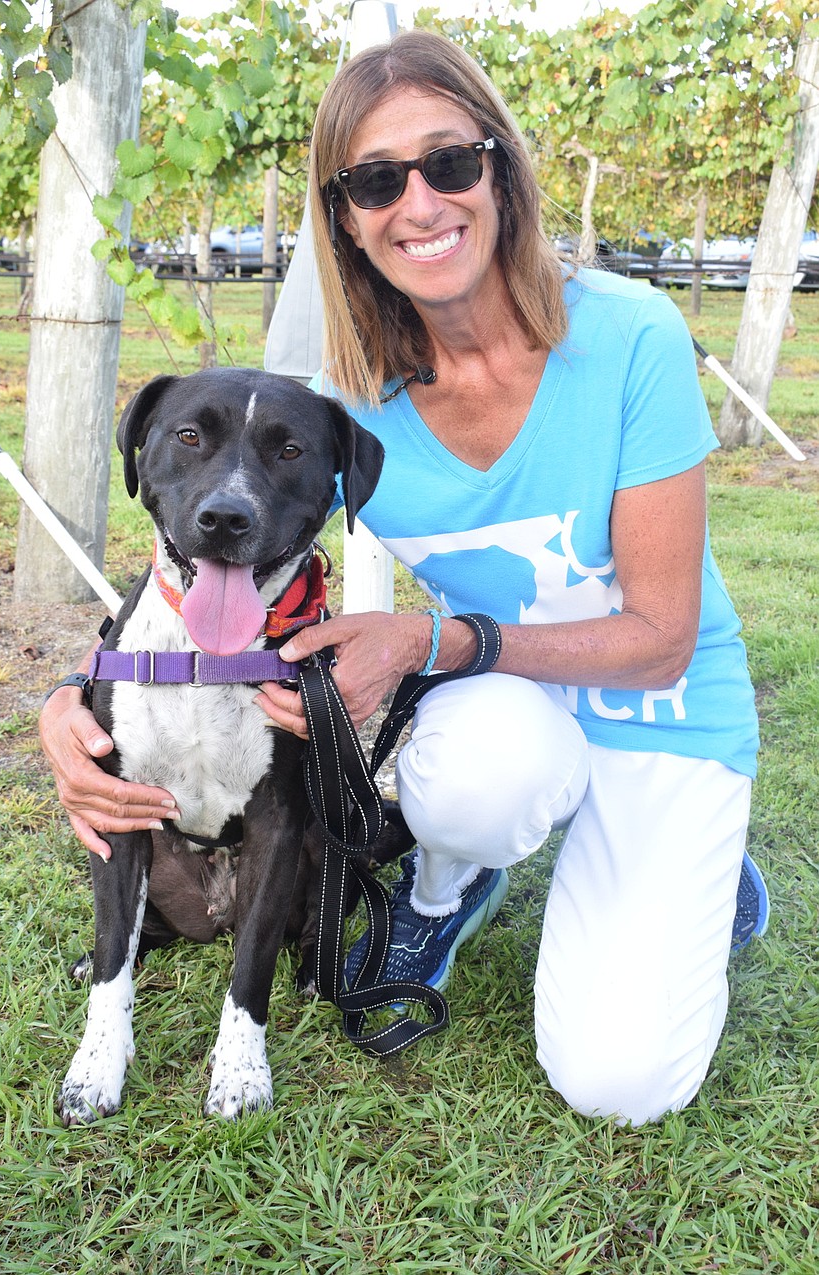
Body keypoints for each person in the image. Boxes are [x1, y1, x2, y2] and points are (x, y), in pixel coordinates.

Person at [40, 30, 768, 1127]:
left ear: (500, 167)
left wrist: (434, 644)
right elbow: (210, 539)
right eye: (377, 179)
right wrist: (67, 702)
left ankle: (712, 878)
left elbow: (662, 633)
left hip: (660, 708)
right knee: (484, 770)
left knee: (620, 1086)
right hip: (514, 716)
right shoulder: (342, 407)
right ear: (346, 215)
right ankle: (450, 885)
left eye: (449, 163)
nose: (418, 202)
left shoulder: (630, 336)